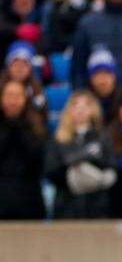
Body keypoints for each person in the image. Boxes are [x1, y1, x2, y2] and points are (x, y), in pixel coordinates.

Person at [44, 89, 115, 219]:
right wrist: (73, 172)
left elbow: (111, 167)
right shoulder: (58, 139)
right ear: (69, 110)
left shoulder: (103, 137)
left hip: (97, 208)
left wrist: (85, 167)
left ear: (93, 110)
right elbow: (50, 171)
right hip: (66, 207)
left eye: (86, 105)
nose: (81, 109)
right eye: (76, 104)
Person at [0, 76, 46, 219]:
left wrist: (19, 126)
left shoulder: (36, 127)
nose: (13, 101)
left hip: (29, 199)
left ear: (25, 99)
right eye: (9, 95)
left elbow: (40, 161)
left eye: (18, 96)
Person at [3, 42, 45, 112]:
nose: (19, 69)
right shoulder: (1, 85)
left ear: (31, 68)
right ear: (8, 67)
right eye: (16, 64)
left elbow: (41, 116)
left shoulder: (36, 88)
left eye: (24, 64)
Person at [84, 46, 122, 120]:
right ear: (91, 79)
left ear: (114, 77)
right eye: (98, 73)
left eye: (107, 72)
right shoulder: (84, 104)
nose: (103, 78)